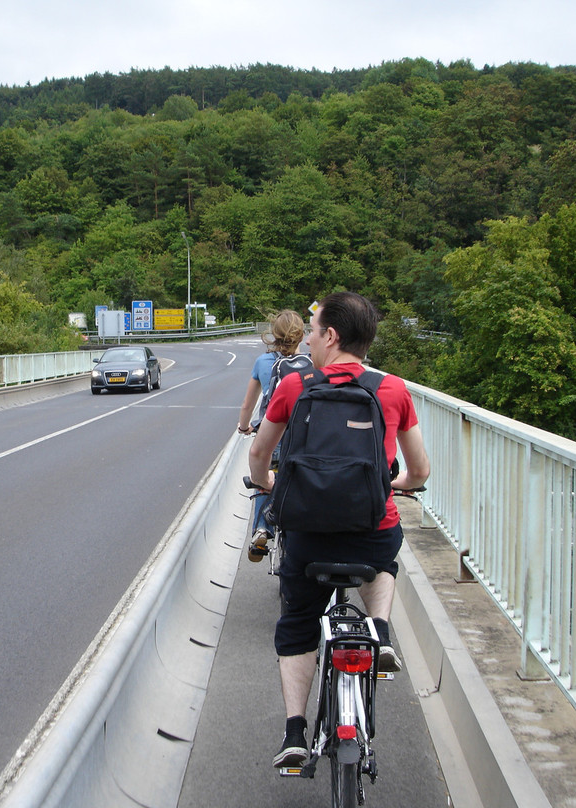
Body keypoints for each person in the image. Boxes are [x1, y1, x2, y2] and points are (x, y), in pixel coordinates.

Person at [248, 291, 430, 769]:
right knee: (386, 549)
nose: (308, 341)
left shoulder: (295, 386)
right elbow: (420, 472)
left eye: (312, 332)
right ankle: (381, 631)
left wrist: (268, 483)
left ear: (330, 336)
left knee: (297, 626)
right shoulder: (392, 389)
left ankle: (294, 733)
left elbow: (258, 455)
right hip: (370, 528)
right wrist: (398, 486)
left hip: (308, 536)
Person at [236, 309, 308, 561]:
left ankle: (262, 529)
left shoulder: (263, 363)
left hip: (271, 433)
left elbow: (248, 405)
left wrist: (244, 427)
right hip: (302, 436)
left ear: (272, 335)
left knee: (265, 479)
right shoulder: (310, 364)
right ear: (301, 336)